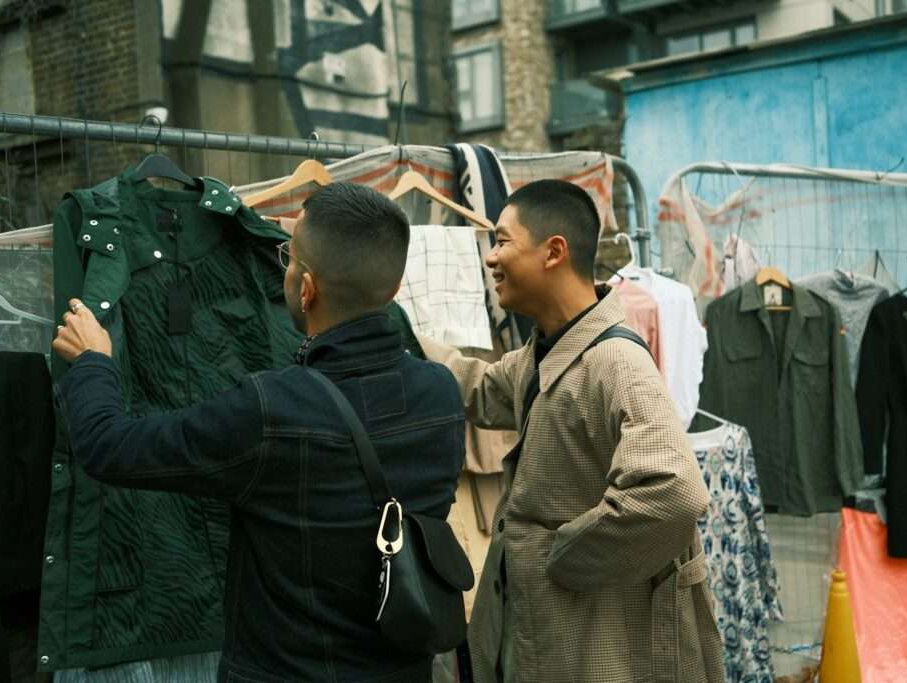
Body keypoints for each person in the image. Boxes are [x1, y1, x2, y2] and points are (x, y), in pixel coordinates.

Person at [52, 182, 466, 683]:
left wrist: (94, 362)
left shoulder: (272, 410)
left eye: (290, 258)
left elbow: (108, 448)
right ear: (393, 290)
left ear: (306, 287)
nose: (285, 268)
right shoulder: (440, 393)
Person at [419, 180, 724, 683]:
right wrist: (396, 331)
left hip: (598, 640)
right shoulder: (547, 354)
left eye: (502, 240)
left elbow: (672, 491)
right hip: (562, 631)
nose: (492, 258)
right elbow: (476, 387)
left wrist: (557, 556)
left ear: (553, 251)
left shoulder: (615, 362)